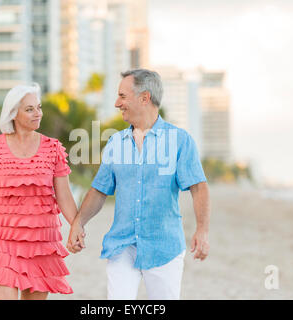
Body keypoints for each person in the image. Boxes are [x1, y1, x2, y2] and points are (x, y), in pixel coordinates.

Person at [67, 69, 210, 300]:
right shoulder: (115, 143)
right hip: (122, 245)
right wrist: (78, 223)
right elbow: (100, 189)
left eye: (123, 96)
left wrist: (202, 230)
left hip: (164, 247)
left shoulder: (180, 141)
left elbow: (198, 187)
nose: (117, 103)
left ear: (144, 98)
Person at [0, 83, 78, 300]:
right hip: (1, 238)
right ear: (13, 113)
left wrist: (77, 226)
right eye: (30, 109)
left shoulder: (53, 148)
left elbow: (64, 196)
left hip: (42, 240)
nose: (38, 113)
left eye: (39, 107)